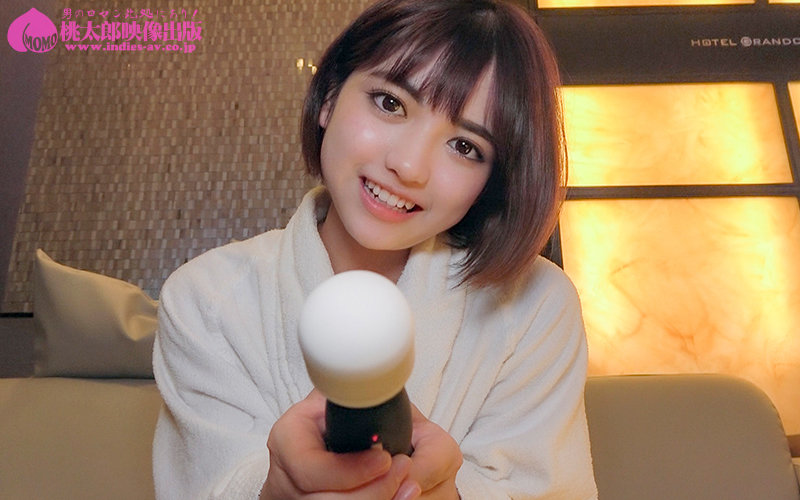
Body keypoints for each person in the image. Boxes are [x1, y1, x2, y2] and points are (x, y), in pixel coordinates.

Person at [152, 0, 598, 498]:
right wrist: (274, 489)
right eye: (390, 103)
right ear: (329, 96)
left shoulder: (536, 306)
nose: (409, 166)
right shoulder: (206, 300)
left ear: (491, 182)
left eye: (464, 146)